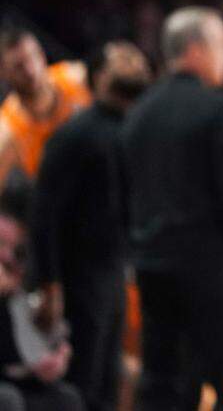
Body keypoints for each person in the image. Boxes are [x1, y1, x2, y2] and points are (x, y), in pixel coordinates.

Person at [122, 8, 223, 410]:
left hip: (152, 267)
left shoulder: (139, 113)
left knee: (162, 383)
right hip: (213, 271)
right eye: (220, 46)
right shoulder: (220, 110)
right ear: (195, 49)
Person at [30, 39, 151, 411]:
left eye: (135, 54)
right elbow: (44, 212)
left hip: (113, 271)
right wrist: (50, 283)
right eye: (121, 58)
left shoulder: (133, 128)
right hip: (79, 275)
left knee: (107, 382)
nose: (132, 60)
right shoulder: (75, 134)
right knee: (82, 378)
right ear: (98, 77)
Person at [0, 210, 83, 411]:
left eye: (15, 249)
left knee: (66, 399)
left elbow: (39, 340)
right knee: (9, 400)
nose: (7, 256)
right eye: (1, 244)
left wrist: (58, 354)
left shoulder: (21, 287)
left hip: (17, 376)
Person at [0, 23, 90, 188]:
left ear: (42, 55)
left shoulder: (77, 79)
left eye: (32, 58)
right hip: (63, 202)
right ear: (3, 72)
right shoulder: (8, 130)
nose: (30, 71)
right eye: (19, 66)